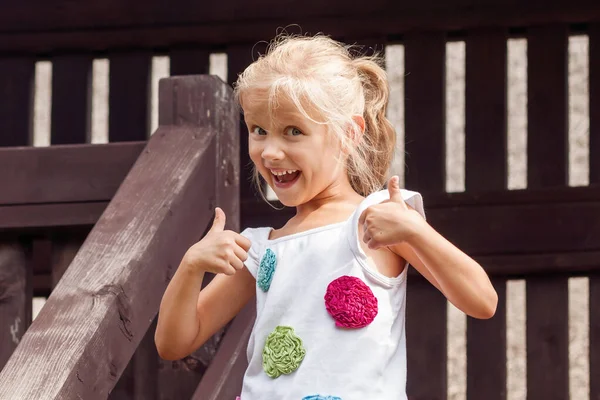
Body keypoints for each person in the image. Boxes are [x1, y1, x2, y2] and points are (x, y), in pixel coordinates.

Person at [155, 34, 498, 400]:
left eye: (293, 132)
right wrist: (192, 266)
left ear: (348, 134)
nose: (270, 151)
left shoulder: (375, 222)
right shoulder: (260, 249)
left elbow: (482, 301)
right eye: (258, 130)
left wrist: (416, 231)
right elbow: (175, 342)